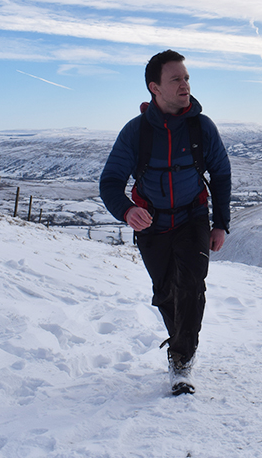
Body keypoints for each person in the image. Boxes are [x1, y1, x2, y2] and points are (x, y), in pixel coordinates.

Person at [99, 49, 231, 395]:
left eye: (186, 78)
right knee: (166, 292)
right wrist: (127, 211)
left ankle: (181, 360)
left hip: (193, 218)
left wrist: (221, 223)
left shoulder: (201, 127)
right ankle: (181, 344)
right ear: (154, 87)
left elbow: (220, 173)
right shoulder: (136, 133)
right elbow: (110, 182)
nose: (185, 85)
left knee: (191, 287)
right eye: (176, 79)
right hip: (152, 226)